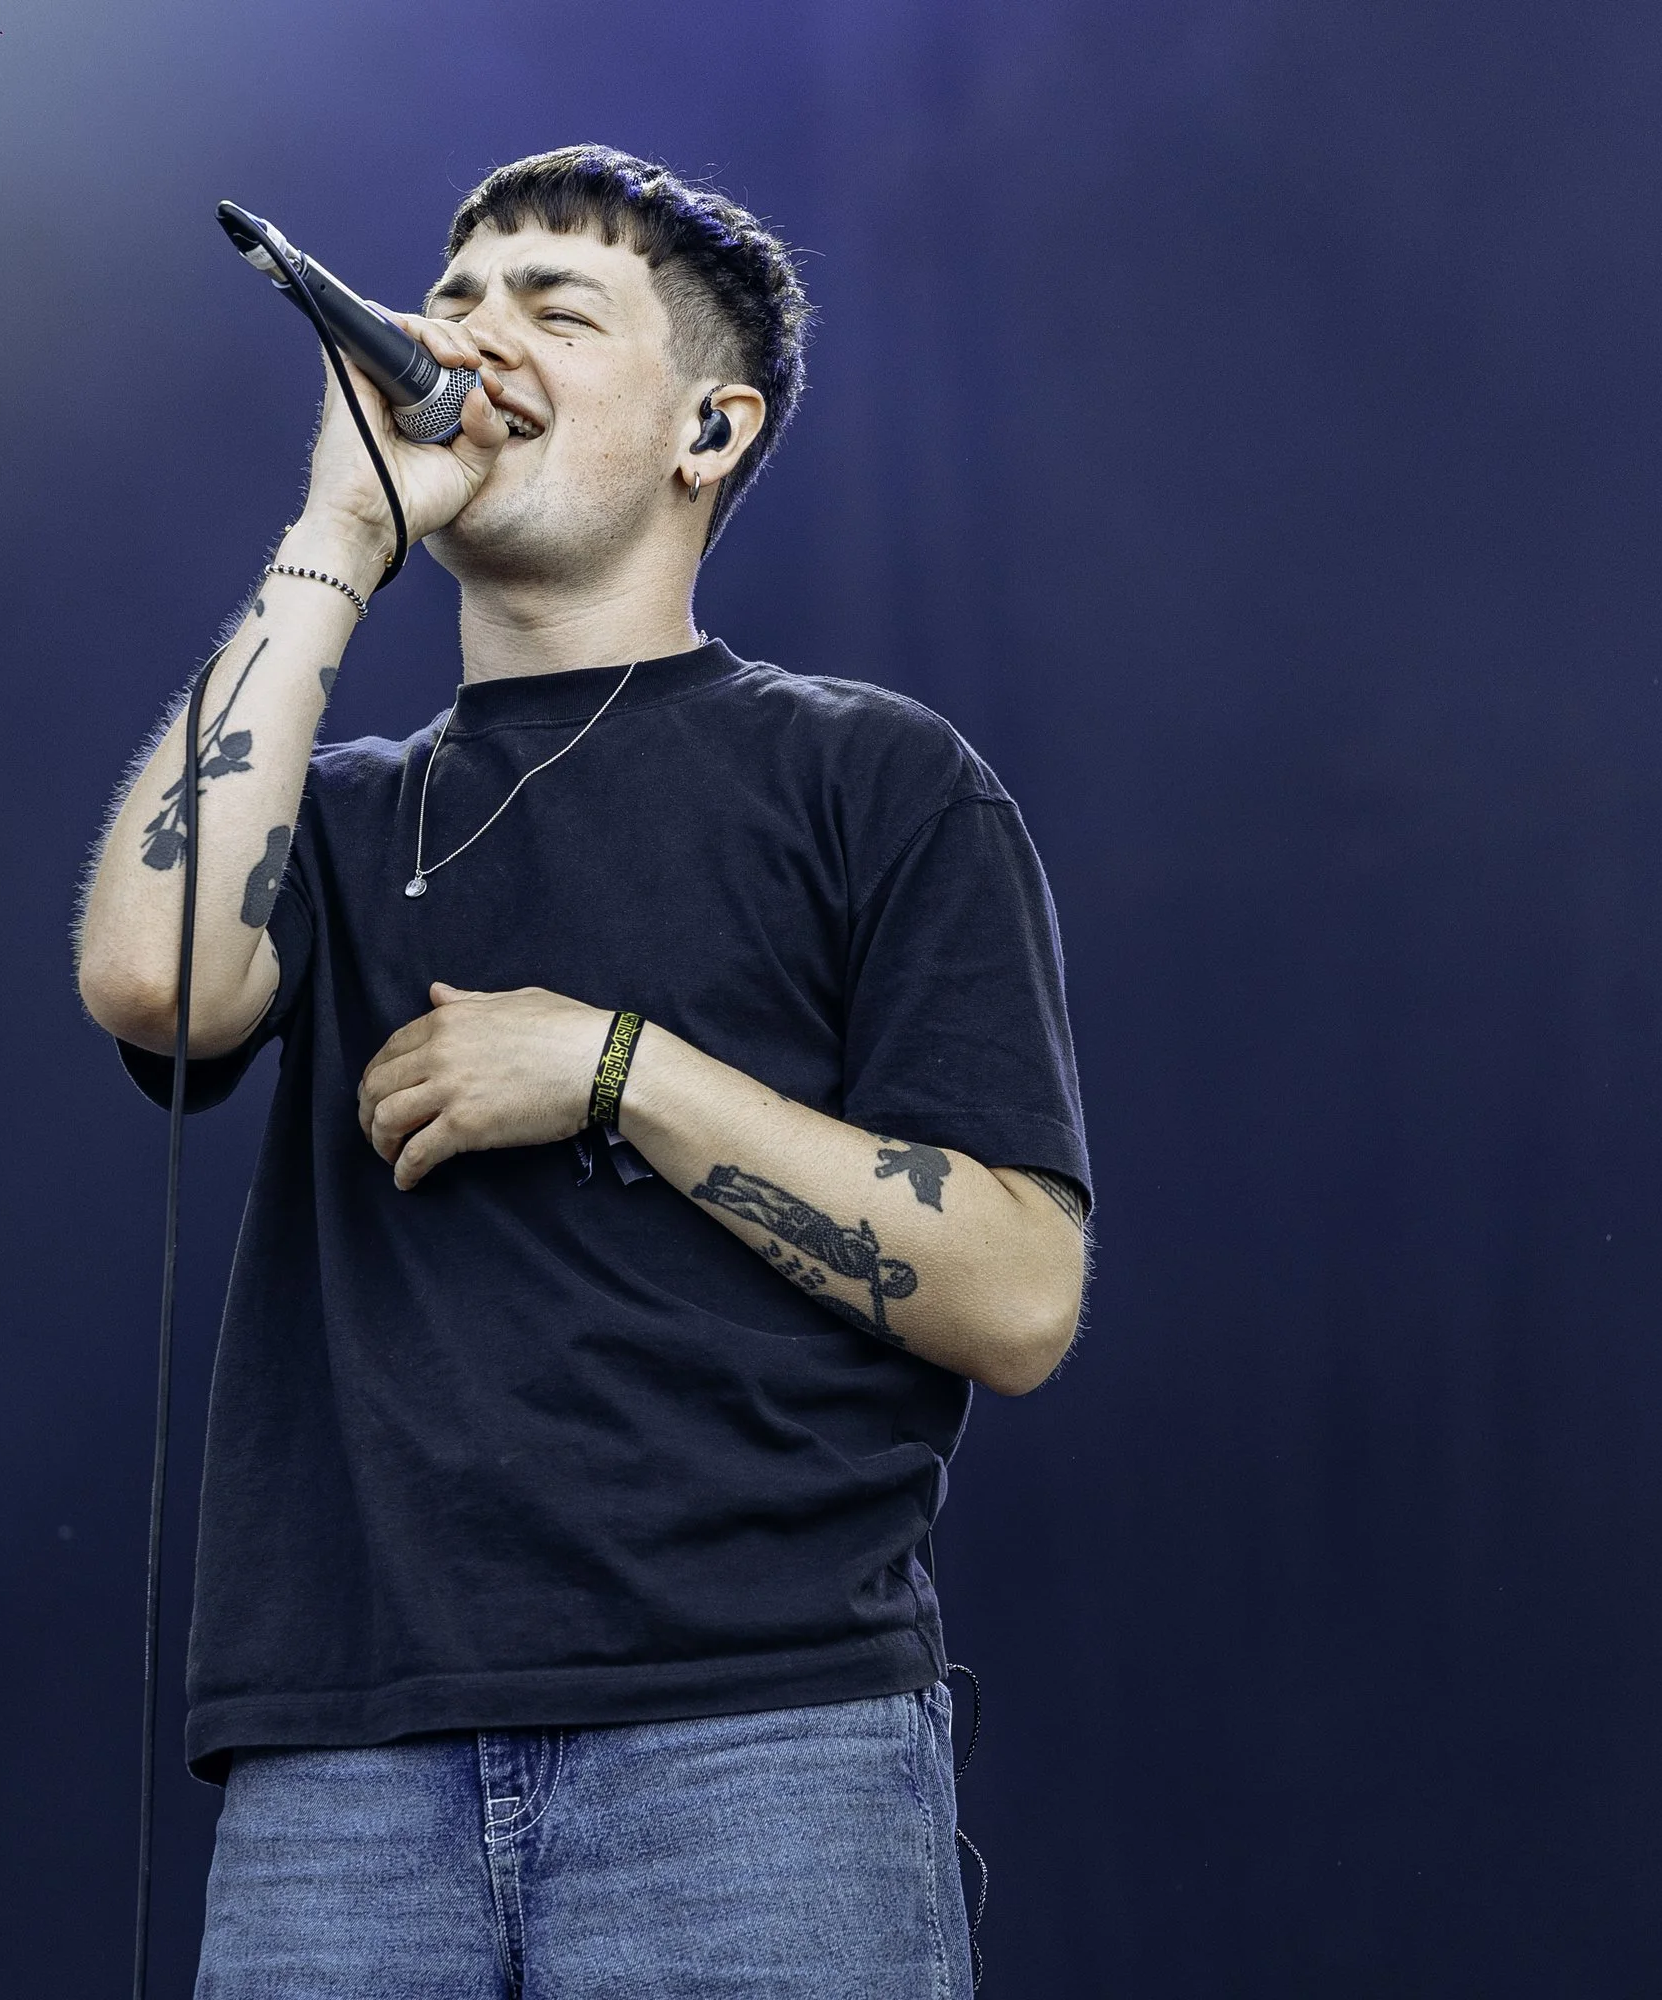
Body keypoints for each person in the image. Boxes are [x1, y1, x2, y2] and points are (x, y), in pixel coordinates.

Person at [75, 145, 1091, 1998]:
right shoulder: (353, 805)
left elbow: (1020, 1293)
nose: (476, 338)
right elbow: (155, 974)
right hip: (344, 1763)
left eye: (558, 308)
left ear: (712, 429)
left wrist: (618, 1069)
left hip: (757, 1748)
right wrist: (338, 541)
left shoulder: (874, 779)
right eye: (458, 300)